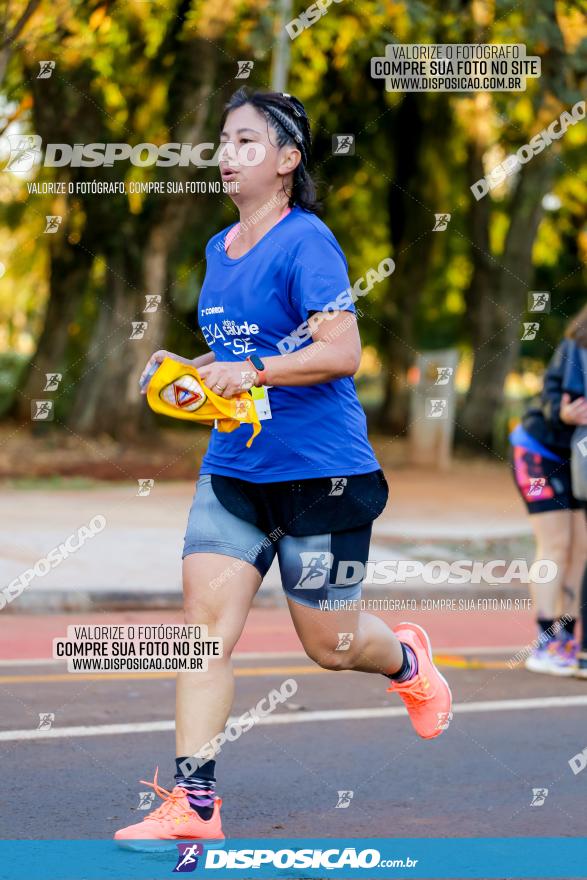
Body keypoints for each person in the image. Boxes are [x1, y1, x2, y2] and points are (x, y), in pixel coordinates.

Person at [114, 88, 452, 848]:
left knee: (329, 647)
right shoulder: (215, 247)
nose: (225, 156)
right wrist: (187, 369)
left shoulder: (308, 243)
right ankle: (195, 801)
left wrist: (258, 371)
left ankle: (404, 661)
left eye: (243, 143)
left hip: (321, 475)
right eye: (222, 142)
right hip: (234, 468)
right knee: (203, 631)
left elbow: (340, 351)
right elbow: (237, 350)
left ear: (287, 160)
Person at [510, 304, 587, 675]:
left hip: (579, 460)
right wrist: (563, 411)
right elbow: (547, 396)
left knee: (581, 547)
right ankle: (545, 641)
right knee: (555, 543)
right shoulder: (576, 342)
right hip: (538, 452)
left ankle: (568, 638)